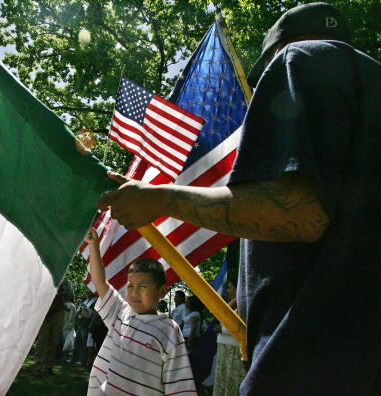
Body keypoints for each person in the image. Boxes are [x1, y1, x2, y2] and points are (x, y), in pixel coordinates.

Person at [96, 3, 380, 395]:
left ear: (275, 56)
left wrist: (157, 199)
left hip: (314, 363)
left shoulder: (301, 58)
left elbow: (298, 214)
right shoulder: (369, 83)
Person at [84, 228, 196, 395]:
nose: (134, 293)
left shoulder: (169, 330)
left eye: (143, 286)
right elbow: (100, 282)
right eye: (130, 286)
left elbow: (179, 383)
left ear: (162, 292)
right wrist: (94, 246)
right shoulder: (121, 313)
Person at [212, 281, 246, 396]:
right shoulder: (234, 306)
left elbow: (241, 328)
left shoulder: (244, 307)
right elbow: (220, 314)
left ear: (239, 288)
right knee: (222, 382)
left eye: (230, 288)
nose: (227, 291)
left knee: (231, 383)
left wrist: (221, 330)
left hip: (234, 351)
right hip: (224, 348)